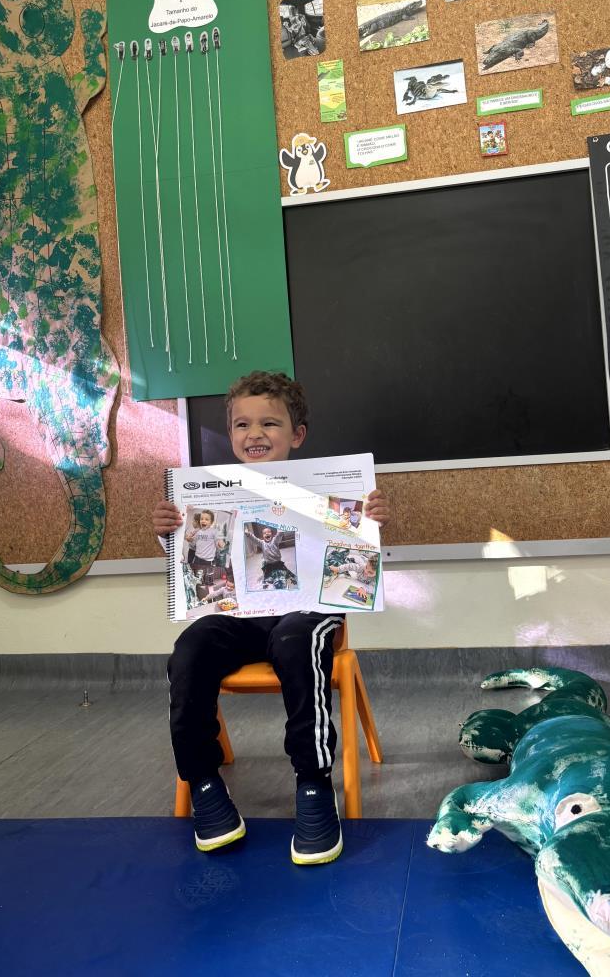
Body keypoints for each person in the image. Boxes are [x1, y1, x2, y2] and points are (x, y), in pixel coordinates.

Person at [152, 370, 390, 866]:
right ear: (230, 433)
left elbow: (352, 555)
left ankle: (313, 785)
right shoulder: (211, 492)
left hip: (305, 616)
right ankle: (204, 783)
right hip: (239, 616)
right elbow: (200, 561)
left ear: (296, 435)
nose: (254, 434)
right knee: (190, 649)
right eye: (242, 424)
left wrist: (371, 520)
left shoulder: (326, 489)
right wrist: (170, 532)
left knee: (295, 642)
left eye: (269, 423)